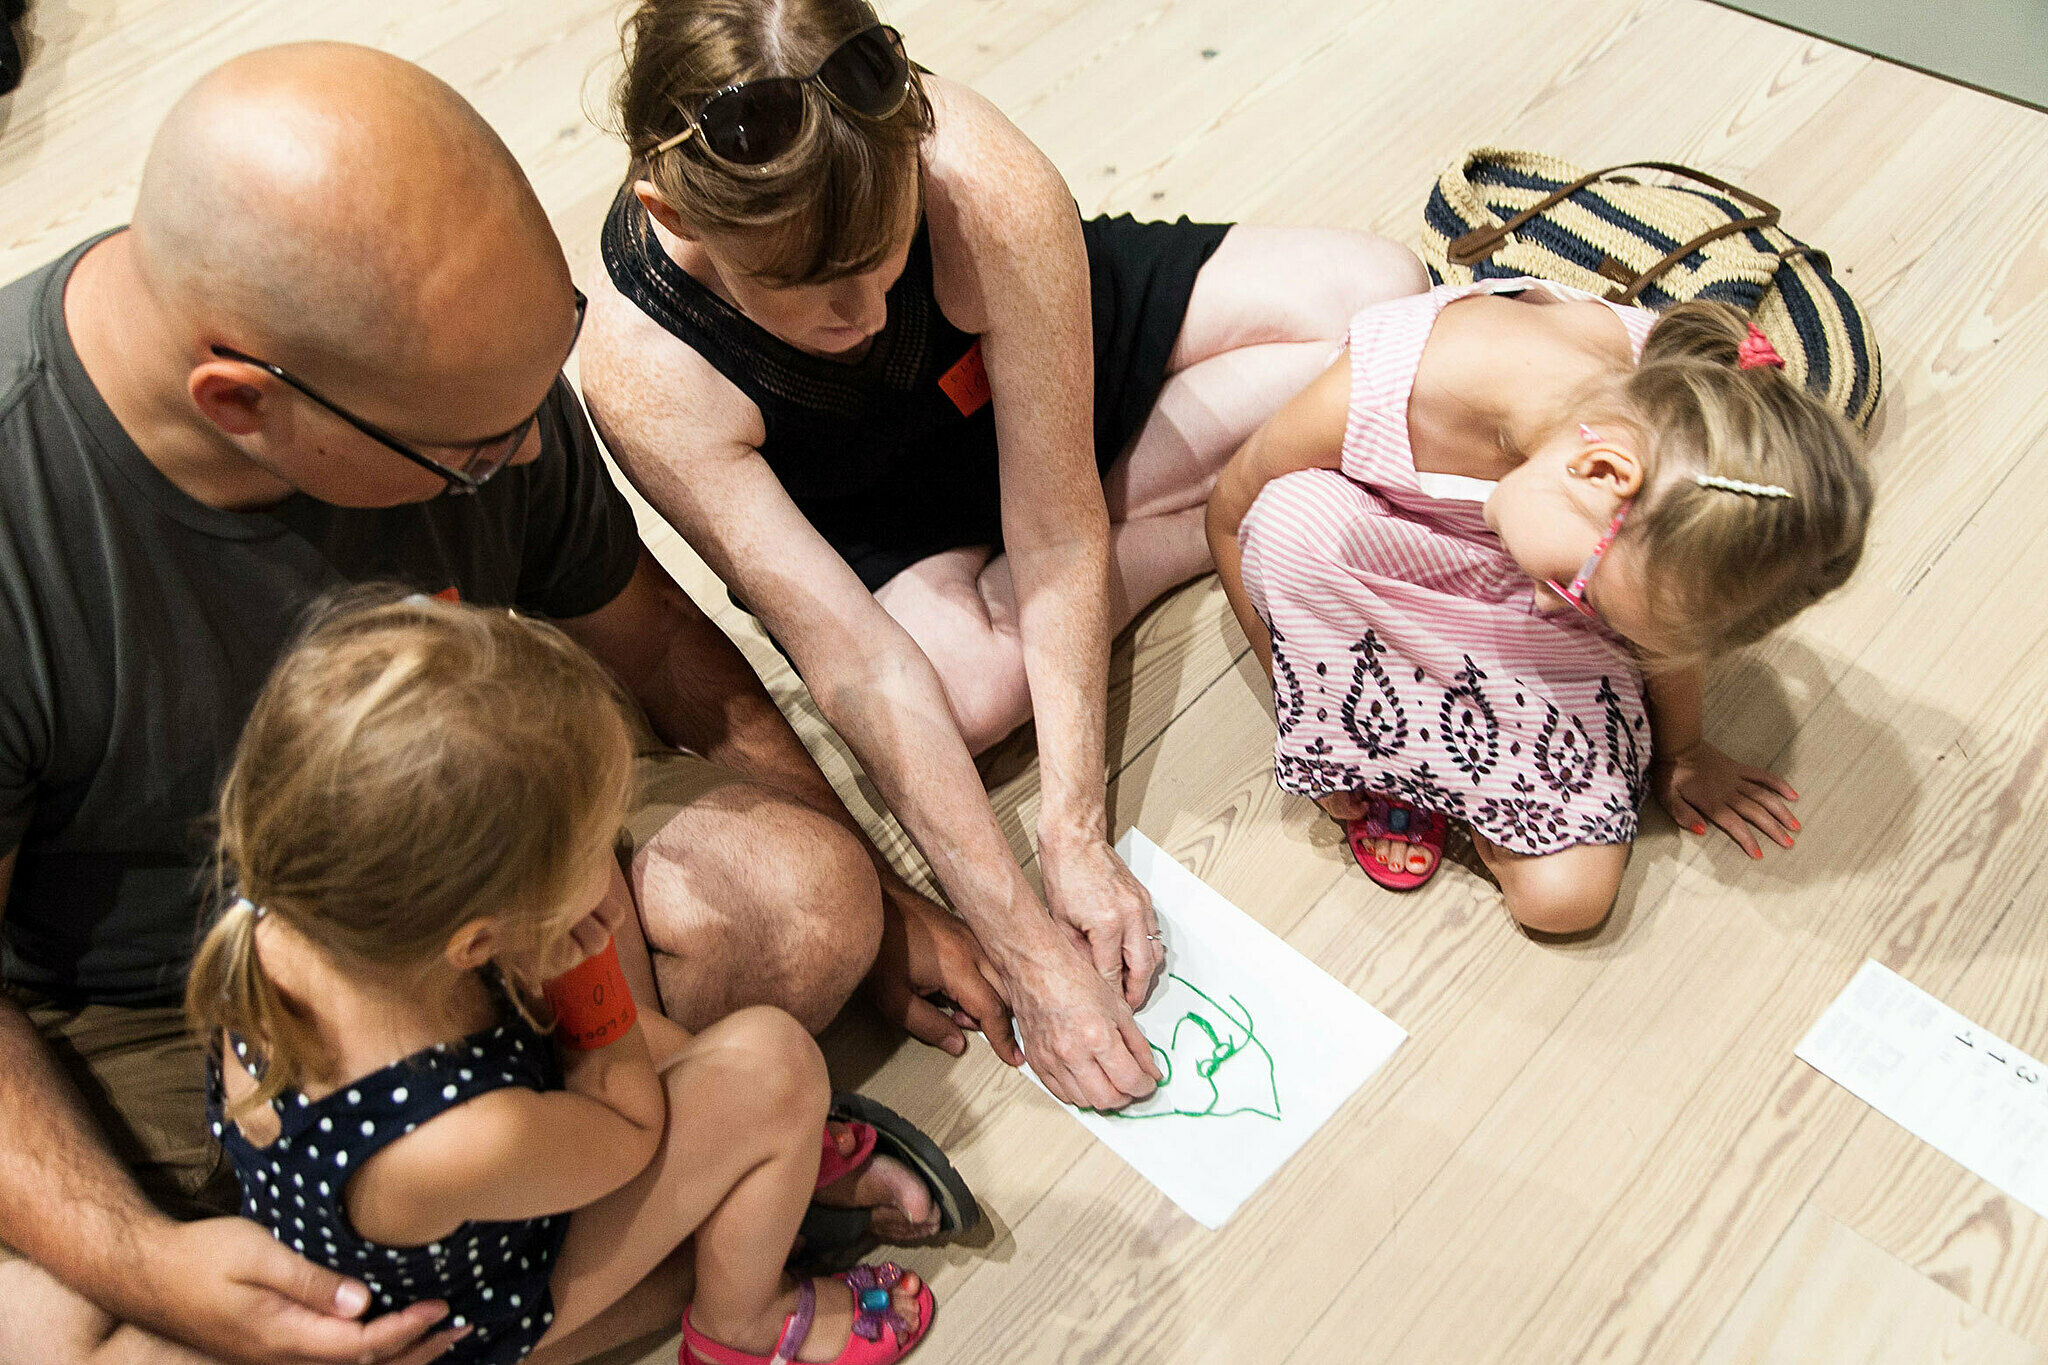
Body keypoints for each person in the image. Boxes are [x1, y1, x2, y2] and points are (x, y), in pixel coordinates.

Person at [0, 43, 982, 1365]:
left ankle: (628, 1241)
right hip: (168, 1021)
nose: (528, 451)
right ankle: (679, 1244)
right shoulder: (28, 514)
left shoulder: (471, 375)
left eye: (547, 369)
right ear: (239, 400)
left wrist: (887, 891)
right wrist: (143, 1256)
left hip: (479, 869)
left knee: (803, 900)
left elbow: (661, 652)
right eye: (472, 453)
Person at [580, 0, 1431, 1110]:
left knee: (1380, 305)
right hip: (891, 510)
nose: (865, 312)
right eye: (804, 291)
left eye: (885, 260)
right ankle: (1209, 511)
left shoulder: (970, 169)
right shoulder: (644, 365)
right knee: (959, 697)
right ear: (669, 211)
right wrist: (1022, 939)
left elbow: (1055, 516)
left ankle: (1162, 527)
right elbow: (853, 665)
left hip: (1048, 381)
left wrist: (1075, 830)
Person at [179, 595, 932, 1365]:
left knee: (726, 1093)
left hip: (455, 1220)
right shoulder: (454, 1136)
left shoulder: (300, 901)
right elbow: (630, 1130)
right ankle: (742, 1325)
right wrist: (583, 966)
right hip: (473, 1314)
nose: (610, 866)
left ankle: (758, 1162)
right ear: (475, 940)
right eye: (590, 853)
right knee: (776, 1066)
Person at [1207, 281, 1872, 932]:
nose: (1560, 607)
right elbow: (1230, 520)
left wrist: (1685, 750)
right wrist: (1322, 723)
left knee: (1564, 899)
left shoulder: (1652, 480)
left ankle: (1432, 771)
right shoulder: (1391, 388)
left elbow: (1653, 622)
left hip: (1502, 593)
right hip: (1385, 558)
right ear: (1603, 471)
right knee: (1291, 522)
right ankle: (1423, 760)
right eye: (1587, 598)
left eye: (1620, 628)